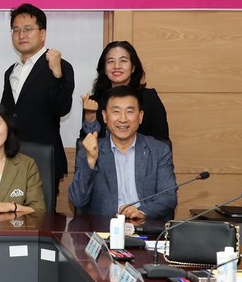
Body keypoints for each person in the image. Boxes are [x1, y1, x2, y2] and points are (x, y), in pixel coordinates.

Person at [69, 85, 177, 221]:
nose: (123, 119)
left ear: (140, 116)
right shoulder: (90, 150)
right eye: (116, 112)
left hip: (145, 227)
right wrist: (90, 163)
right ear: (104, 116)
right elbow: (77, 200)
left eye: (129, 112)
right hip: (104, 228)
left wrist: (142, 212)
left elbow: (168, 197)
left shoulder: (158, 151)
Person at [1, 3, 74, 191]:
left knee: (43, 210)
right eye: (16, 30)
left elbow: (62, 108)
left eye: (27, 29)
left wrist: (56, 73)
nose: (21, 35)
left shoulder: (61, 66)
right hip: (12, 158)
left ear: (42, 34)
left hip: (43, 157)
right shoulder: (10, 71)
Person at [80, 40, 169, 141]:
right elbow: (85, 144)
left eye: (123, 61)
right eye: (111, 61)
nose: (117, 66)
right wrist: (90, 117)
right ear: (104, 69)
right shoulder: (93, 102)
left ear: (133, 68)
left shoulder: (149, 98)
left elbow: (162, 140)